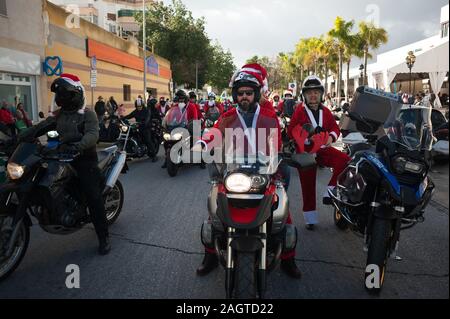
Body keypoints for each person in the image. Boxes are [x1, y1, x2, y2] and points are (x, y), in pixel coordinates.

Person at [194, 64, 302, 279]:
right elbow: (215, 131)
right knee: (215, 210)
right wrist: (202, 143)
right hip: (234, 169)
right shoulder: (229, 115)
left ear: (256, 94)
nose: (245, 97)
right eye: (241, 93)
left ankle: (289, 259)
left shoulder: (270, 113)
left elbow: (278, 142)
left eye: (249, 93)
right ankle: (210, 256)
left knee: (283, 210)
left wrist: (280, 156)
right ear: (236, 95)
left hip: (265, 169)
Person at [18, 74, 111, 255]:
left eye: (63, 94)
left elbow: (93, 135)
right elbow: (38, 128)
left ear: (75, 95)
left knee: (93, 196)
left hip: (84, 157)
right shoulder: (59, 115)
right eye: (58, 95)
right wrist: (17, 138)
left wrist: (79, 146)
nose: (60, 98)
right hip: (62, 154)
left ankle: (104, 236)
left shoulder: (88, 114)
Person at [288, 75, 351, 231]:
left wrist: (331, 136)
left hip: (323, 150)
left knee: (344, 161)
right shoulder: (299, 111)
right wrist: (306, 135)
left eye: (316, 92)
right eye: (310, 93)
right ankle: (310, 218)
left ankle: (330, 190)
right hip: (306, 153)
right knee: (307, 186)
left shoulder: (326, 111)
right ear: (305, 95)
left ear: (321, 94)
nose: (313, 95)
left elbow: (335, 129)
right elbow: (291, 132)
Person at [161, 90, 198, 168]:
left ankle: (199, 158)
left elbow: (195, 118)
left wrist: (192, 123)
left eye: (182, 98)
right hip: (176, 127)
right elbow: (170, 115)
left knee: (195, 137)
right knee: (166, 141)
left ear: (186, 98)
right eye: (179, 98)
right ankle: (167, 158)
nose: (180, 100)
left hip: (187, 126)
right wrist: (165, 122)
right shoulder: (175, 106)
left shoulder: (191, 106)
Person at [122, 95, 157, 161]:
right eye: (138, 106)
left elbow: (148, 118)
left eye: (140, 106)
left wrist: (144, 122)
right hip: (139, 127)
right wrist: (122, 118)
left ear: (142, 105)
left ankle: (154, 156)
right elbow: (129, 115)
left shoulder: (146, 110)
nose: (139, 107)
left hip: (146, 127)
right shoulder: (135, 111)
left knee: (148, 140)